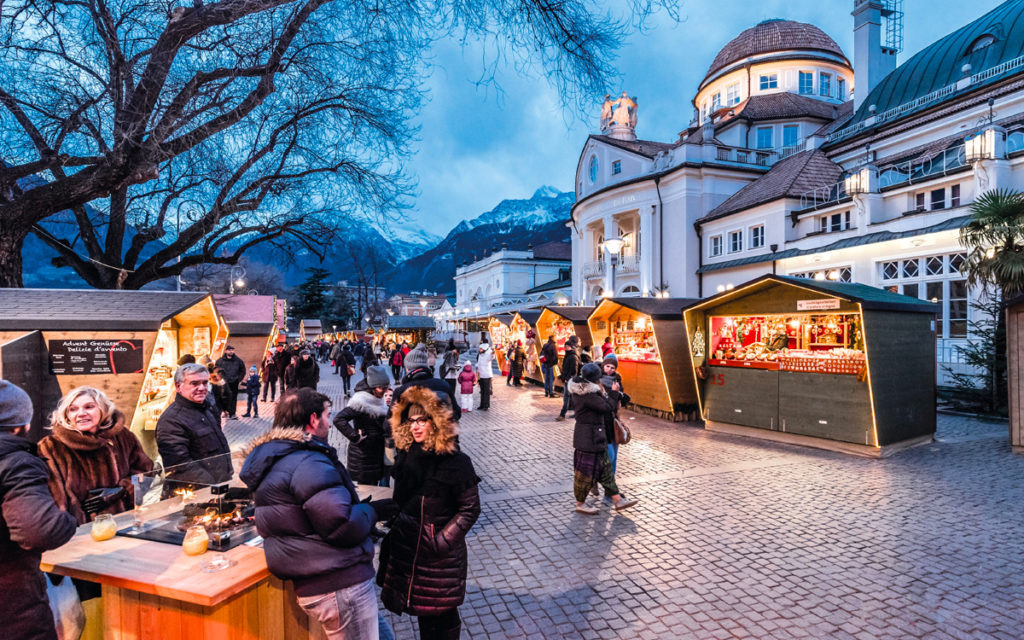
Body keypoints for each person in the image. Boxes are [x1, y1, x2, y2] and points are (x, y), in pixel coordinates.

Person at [240, 388, 394, 640]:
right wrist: (371, 511)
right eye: (327, 415)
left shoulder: (276, 456)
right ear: (313, 420)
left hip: (329, 577)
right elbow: (340, 526)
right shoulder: (307, 461)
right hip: (338, 584)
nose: (330, 423)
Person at [378, 386, 481, 639]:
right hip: (410, 549)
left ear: (435, 423)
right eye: (411, 421)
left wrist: (441, 540)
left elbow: (470, 509)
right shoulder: (408, 456)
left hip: (438, 556)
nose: (416, 427)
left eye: (422, 420)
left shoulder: (456, 461)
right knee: (424, 612)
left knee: (443, 614)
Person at [0, 381, 78, 640]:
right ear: (22, 425)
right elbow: (39, 530)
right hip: (13, 609)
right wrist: (69, 520)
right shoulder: (16, 461)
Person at [38, 386, 154, 525]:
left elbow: (145, 470)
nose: (80, 413)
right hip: (77, 532)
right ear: (66, 415)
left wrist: (123, 490)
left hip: (121, 524)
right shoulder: (51, 448)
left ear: (103, 410)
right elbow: (50, 498)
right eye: (73, 409)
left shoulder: (122, 437)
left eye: (89, 407)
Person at [569, 363, 637, 515]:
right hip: (588, 439)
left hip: (597, 438)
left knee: (606, 470)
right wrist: (613, 394)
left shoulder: (589, 390)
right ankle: (580, 504)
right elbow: (606, 407)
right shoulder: (587, 394)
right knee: (584, 474)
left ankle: (618, 500)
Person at [156, 363, 233, 485]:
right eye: (194, 383)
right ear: (178, 386)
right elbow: (180, 466)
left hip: (218, 486)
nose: (202, 388)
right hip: (195, 493)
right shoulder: (171, 420)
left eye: (205, 382)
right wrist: (212, 486)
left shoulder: (207, 408)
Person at [334, 365, 391, 486]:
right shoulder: (361, 401)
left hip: (376, 455)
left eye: (387, 388)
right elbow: (339, 419)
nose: (385, 391)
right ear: (373, 387)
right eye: (382, 388)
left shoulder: (377, 397)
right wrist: (355, 436)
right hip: (363, 457)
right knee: (367, 491)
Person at [395, 343, 461, 419]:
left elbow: (390, 424)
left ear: (407, 368)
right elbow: (456, 413)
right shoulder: (443, 385)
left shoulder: (401, 391)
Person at [600, 354, 630, 478]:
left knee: (614, 457)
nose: (610, 370)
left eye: (613, 367)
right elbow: (603, 404)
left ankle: (611, 486)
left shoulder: (617, 381)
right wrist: (614, 393)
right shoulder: (597, 381)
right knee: (608, 455)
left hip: (613, 422)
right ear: (603, 365)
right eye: (607, 366)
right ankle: (597, 479)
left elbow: (621, 401)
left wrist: (620, 395)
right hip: (601, 423)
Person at [215, 345, 246, 419]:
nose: (231, 351)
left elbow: (242, 370)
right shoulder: (220, 361)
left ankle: (232, 413)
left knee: (233, 398)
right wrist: (220, 379)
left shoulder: (238, 361)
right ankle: (225, 411)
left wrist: (238, 379)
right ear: (225, 351)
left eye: (232, 350)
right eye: (229, 350)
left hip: (234, 382)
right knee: (223, 398)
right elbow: (216, 370)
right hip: (223, 383)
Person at [556, 336, 580, 422]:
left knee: (567, 397)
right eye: (565, 346)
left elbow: (574, 370)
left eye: (567, 346)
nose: (565, 348)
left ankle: (562, 414)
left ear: (571, 347)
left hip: (570, 380)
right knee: (571, 397)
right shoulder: (568, 355)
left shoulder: (572, 356)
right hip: (567, 379)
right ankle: (576, 413)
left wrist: (567, 378)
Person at [475, 342, 493, 411]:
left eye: (481, 349)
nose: (479, 350)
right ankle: (482, 405)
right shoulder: (480, 354)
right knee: (482, 391)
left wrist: (493, 354)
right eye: (479, 348)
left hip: (486, 375)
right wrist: (477, 366)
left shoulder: (488, 353)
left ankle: (486, 405)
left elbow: (491, 357)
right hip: (480, 375)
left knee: (486, 391)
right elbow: (479, 362)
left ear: (484, 349)